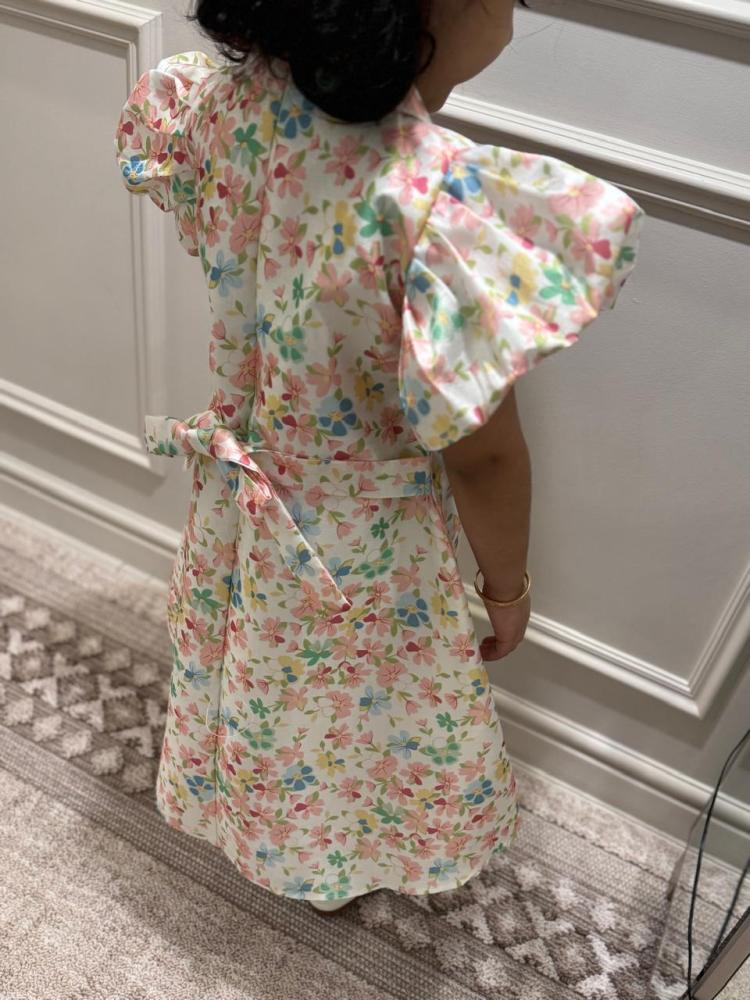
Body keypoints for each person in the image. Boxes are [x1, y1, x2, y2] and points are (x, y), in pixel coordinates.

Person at [114, 0, 645, 914]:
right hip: (364, 547)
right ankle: (328, 865)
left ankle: (277, 836)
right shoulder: (430, 202)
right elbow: (484, 460)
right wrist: (507, 586)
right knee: (358, 717)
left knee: (271, 689)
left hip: (245, 503)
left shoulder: (217, 107)